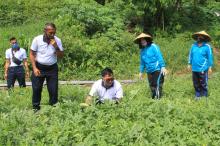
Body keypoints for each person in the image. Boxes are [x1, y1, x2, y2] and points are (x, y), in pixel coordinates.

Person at [30, 23, 64, 111]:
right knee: (37, 88)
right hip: (39, 67)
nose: (52, 35)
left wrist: (56, 46)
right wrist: (34, 68)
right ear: (45, 31)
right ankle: (36, 108)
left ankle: (53, 108)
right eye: (50, 33)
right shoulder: (37, 39)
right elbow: (32, 54)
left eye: (54, 33)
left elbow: (61, 56)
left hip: (52, 68)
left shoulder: (57, 40)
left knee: (53, 89)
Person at [134, 33, 167, 99]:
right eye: (141, 41)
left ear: (147, 40)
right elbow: (142, 62)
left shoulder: (153, 46)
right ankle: (153, 98)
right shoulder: (142, 51)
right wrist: (141, 72)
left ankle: (158, 100)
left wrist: (163, 67)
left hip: (157, 69)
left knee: (157, 84)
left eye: (143, 40)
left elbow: (159, 56)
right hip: (149, 70)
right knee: (151, 85)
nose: (142, 41)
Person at [188, 31, 213, 99]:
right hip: (194, 68)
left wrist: (210, 66)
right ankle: (197, 94)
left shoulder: (207, 47)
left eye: (201, 36)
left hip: (203, 68)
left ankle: (204, 95)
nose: (200, 37)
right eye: (198, 36)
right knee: (196, 82)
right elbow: (190, 55)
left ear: (204, 38)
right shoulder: (193, 46)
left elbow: (209, 57)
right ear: (197, 37)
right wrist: (189, 64)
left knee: (203, 82)